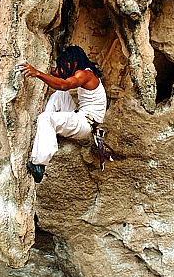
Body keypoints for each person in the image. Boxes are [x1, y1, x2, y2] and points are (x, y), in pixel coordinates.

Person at [17, 45, 107, 183]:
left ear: (75, 62)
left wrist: (38, 73)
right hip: (80, 116)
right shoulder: (83, 71)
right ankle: (48, 134)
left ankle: (40, 164)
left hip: (84, 123)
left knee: (45, 118)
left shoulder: (85, 74)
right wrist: (42, 67)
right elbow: (58, 74)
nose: (64, 68)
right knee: (60, 95)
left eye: (66, 64)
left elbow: (64, 84)